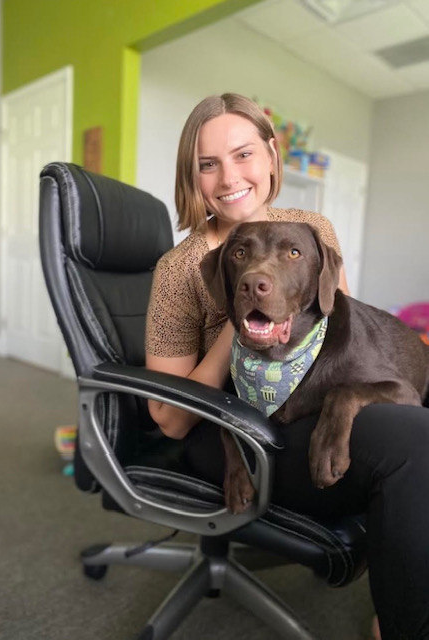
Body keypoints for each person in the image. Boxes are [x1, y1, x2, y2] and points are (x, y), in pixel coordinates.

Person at [145, 93, 429, 640]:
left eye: (244, 153)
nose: (230, 176)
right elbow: (168, 416)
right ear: (194, 176)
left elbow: (342, 330)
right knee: (412, 442)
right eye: (209, 163)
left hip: (315, 397)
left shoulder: (311, 229)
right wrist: (243, 315)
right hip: (234, 429)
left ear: (272, 156)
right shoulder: (180, 269)